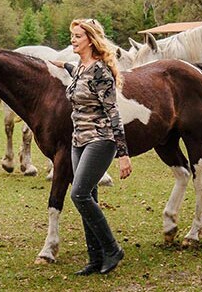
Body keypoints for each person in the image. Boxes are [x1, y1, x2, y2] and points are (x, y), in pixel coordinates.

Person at [56, 18, 133, 275]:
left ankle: (112, 249)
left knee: (78, 194)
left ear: (90, 39)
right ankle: (95, 259)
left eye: (78, 36)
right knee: (90, 196)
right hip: (78, 140)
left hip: (100, 140)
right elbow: (76, 75)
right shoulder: (80, 67)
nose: (73, 40)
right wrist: (60, 64)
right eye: (72, 35)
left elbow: (114, 113)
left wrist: (123, 155)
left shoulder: (101, 72)